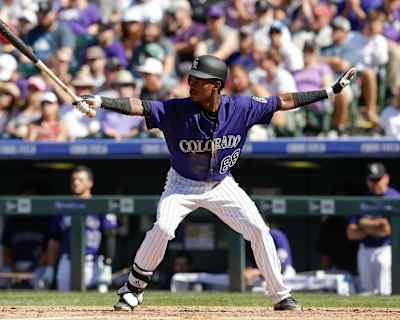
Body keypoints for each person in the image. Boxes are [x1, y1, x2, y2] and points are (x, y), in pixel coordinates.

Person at [76, 54, 356, 311]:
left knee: (259, 229)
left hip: (222, 184)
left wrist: (329, 92)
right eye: (190, 79)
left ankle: (280, 295)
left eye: (198, 81)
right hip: (182, 183)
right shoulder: (177, 109)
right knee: (163, 227)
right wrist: (102, 102)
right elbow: (141, 106)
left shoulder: (241, 107)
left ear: (216, 86)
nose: (191, 85)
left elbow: (282, 101)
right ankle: (133, 288)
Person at [39, 166, 117, 291]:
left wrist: (107, 265)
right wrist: (49, 267)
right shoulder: (62, 207)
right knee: (64, 304)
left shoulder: (100, 206)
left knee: (99, 305)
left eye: (80, 180)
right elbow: (54, 240)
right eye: (73, 180)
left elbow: (110, 236)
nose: (76, 183)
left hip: (93, 263)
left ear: (90, 183)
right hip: (67, 261)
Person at [346, 162, 399, 295]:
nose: (375, 183)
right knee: (367, 292)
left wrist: (362, 224)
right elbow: (351, 233)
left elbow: (386, 230)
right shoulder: (364, 200)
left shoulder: (394, 197)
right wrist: (376, 226)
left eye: (378, 179)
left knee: (385, 292)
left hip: (387, 249)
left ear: (386, 178)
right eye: (372, 180)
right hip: (365, 250)